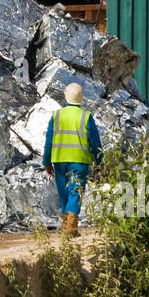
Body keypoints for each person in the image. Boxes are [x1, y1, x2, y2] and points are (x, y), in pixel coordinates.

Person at [43, 82, 103, 236]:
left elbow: (49, 140)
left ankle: (66, 225)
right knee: (75, 191)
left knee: (63, 192)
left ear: (65, 96)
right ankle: (71, 227)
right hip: (79, 161)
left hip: (60, 161)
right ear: (81, 98)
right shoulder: (86, 117)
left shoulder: (56, 116)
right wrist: (100, 161)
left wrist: (46, 162)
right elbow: (95, 142)